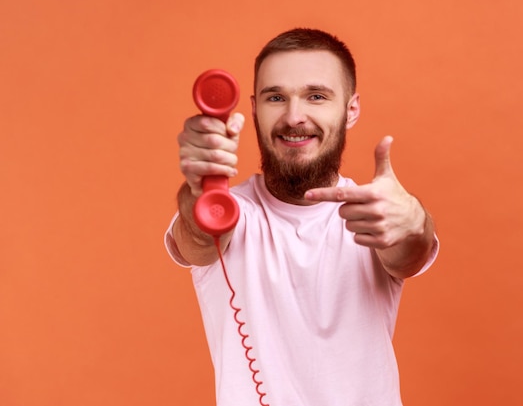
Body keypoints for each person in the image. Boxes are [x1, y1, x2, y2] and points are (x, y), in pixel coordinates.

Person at [164, 28, 439, 406]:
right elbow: (197, 239)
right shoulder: (229, 212)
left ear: (351, 109)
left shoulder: (374, 215)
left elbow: (410, 252)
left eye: (316, 96)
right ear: (255, 108)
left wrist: (414, 221)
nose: (294, 117)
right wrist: (200, 189)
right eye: (276, 97)